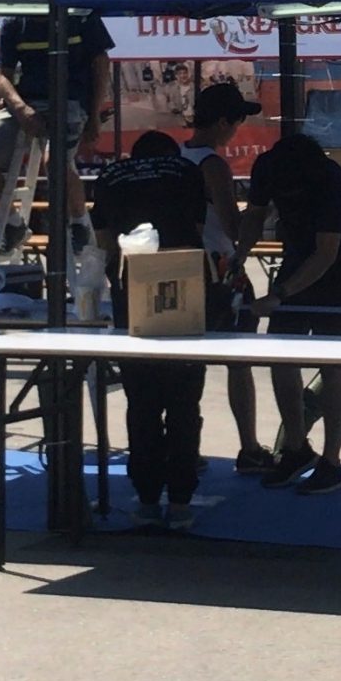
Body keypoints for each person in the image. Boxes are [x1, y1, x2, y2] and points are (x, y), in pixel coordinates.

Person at [234, 132, 341, 494]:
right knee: (281, 354)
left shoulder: (328, 177)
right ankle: (296, 448)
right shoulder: (267, 166)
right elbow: (254, 216)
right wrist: (238, 257)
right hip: (296, 252)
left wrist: (279, 294)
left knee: (330, 358)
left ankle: (332, 463)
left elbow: (326, 254)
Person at [90, 129, 211, 530]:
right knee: (183, 403)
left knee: (141, 402)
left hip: (133, 293)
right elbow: (197, 227)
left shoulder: (110, 176)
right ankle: (180, 502)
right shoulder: (185, 170)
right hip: (185, 286)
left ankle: (145, 499)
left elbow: (104, 242)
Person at [181, 80, 269, 474]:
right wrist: (262, 211)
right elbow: (234, 227)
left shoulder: (177, 156)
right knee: (239, 360)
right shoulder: (212, 164)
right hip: (219, 267)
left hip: (181, 266)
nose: (237, 130)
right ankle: (249, 447)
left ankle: (185, 444)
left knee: (186, 365)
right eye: (236, 121)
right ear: (221, 122)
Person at [0, 10, 115, 246]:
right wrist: (20, 108)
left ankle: (79, 223)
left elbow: (101, 63)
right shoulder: (15, 20)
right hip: (25, 102)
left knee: (56, 161)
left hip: (70, 101)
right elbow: (2, 76)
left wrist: (95, 115)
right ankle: (13, 224)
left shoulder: (81, 15)